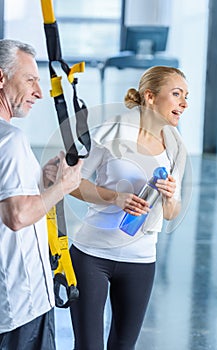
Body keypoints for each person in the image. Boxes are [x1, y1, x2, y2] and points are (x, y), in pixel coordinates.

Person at [69, 65, 189, 350]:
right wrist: (114, 197)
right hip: (92, 255)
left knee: (124, 346)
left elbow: (172, 213)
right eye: (176, 94)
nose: (184, 103)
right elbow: (71, 183)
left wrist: (171, 197)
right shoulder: (108, 133)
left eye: (186, 96)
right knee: (88, 346)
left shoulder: (176, 148)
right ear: (150, 96)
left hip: (140, 260)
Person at [0, 39, 83, 350]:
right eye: (30, 79)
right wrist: (63, 187)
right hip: (22, 303)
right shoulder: (10, 139)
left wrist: (40, 183)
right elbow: (17, 215)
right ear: (1, 78)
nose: (39, 91)